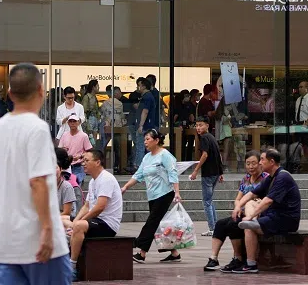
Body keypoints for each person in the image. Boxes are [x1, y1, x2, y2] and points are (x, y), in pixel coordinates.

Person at [0, 63, 70, 284]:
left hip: (6, 243)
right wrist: (47, 229)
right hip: (38, 244)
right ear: (41, 90)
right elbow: (38, 181)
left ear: (10, 93)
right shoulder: (38, 128)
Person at [224, 148, 301, 274]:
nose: (260, 163)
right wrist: (238, 207)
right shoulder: (271, 177)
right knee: (249, 203)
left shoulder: (283, 177)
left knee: (249, 227)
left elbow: (267, 201)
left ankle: (251, 264)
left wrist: (250, 217)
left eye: (262, 160)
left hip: (286, 220)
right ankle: (253, 222)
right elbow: (251, 194)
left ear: (271, 162)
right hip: (274, 215)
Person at [121, 128, 183, 263]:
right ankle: (174, 253)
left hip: (165, 193)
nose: (145, 142)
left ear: (156, 141)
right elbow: (139, 175)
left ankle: (141, 251)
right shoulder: (147, 157)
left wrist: (177, 192)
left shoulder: (165, 155)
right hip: (152, 195)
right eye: (144, 139)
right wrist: (126, 186)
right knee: (159, 225)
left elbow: (173, 173)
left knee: (152, 222)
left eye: (148, 139)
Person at [204, 151, 268, 272]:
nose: (251, 166)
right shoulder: (246, 179)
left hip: (256, 214)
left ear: (260, 163)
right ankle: (213, 258)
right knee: (220, 223)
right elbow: (238, 199)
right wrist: (237, 207)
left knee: (233, 224)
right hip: (242, 212)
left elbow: (264, 200)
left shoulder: (266, 178)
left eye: (254, 163)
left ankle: (238, 258)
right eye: (248, 163)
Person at [68, 149, 123, 277]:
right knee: (65, 221)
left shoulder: (106, 179)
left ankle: (72, 267)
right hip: (95, 221)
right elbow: (87, 206)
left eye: (87, 160)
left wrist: (80, 223)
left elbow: (99, 207)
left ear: (98, 162)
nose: (83, 164)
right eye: (83, 161)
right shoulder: (93, 181)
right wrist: (75, 221)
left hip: (107, 224)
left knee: (79, 226)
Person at [190, 116, 224, 236]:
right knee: (210, 201)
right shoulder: (212, 137)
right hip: (215, 173)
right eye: (197, 125)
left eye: (201, 125)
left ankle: (212, 228)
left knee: (207, 202)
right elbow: (218, 155)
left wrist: (195, 171)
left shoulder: (204, 138)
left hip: (208, 174)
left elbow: (205, 155)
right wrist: (220, 172)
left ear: (207, 126)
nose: (198, 128)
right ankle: (214, 226)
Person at [60, 114, 92, 185]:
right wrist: (63, 150)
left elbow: (89, 151)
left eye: (74, 121)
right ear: (68, 123)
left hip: (78, 166)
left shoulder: (84, 136)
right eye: (70, 121)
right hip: (66, 166)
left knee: (76, 187)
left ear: (78, 123)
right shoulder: (64, 135)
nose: (72, 123)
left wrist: (80, 156)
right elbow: (60, 149)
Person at [100, 87, 126, 172]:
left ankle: (100, 164)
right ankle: (116, 165)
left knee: (103, 145)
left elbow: (102, 113)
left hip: (107, 126)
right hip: (117, 127)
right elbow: (122, 116)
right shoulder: (120, 103)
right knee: (117, 147)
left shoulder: (105, 103)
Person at [55, 148, 78, 222]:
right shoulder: (45, 186)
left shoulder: (66, 186)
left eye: (55, 168)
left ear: (61, 169)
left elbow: (67, 212)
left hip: (65, 219)